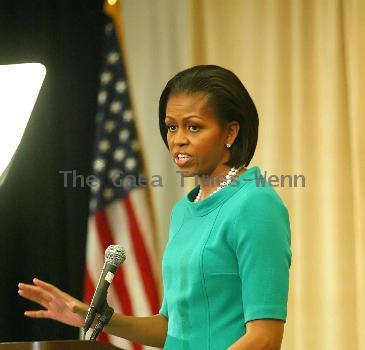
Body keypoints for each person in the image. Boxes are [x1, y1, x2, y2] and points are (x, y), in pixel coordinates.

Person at [18, 65, 292, 349]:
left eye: (194, 126)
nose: (177, 139)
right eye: (172, 126)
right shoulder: (184, 211)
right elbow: (172, 328)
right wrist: (94, 317)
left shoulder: (255, 203)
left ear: (230, 132)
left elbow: (265, 338)